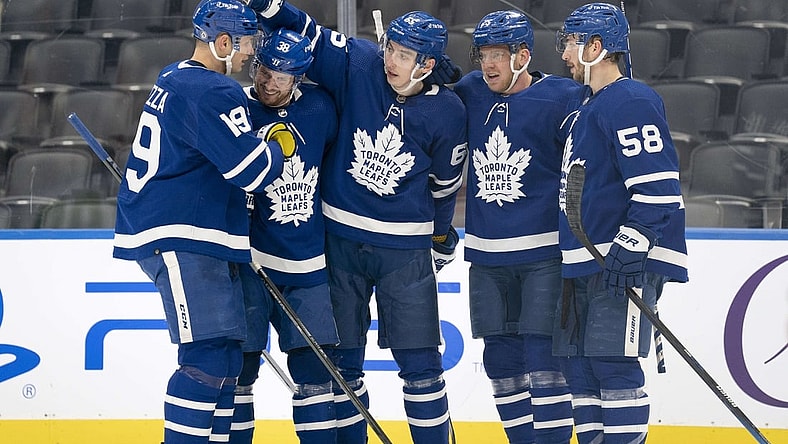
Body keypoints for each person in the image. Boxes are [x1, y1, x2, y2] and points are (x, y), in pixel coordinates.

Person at [242, 2, 468, 443]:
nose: (391, 60)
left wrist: (440, 236)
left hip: (404, 253)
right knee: (342, 366)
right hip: (340, 244)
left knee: (421, 366)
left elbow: (444, 186)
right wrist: (269, 5)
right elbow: (304, 30)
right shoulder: (362, 64)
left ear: (427, 65)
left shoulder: (449, 110)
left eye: (404, 55)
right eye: (391, 48)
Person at [111, 1, 295, 443]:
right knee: (207, 356)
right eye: (247, 42)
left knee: (228, 358)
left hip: (194, 233)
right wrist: (277, 147)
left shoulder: (175, 75)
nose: (251, 52)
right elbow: (252, 171)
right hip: (182, 234)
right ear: (223, 42)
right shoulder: (213, 90)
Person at [554, 3, 688, 443]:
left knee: (613, 367)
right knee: (580, 372)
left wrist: (633, 244)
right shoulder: (587, 106)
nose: (565, 55)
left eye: (572, 43)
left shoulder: (630, 100)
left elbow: (658, 187)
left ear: (596, 47)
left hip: (621, 259)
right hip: (584, 261)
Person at [453, 10, 582, 444]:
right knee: (501, 362)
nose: (488, 64)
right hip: (486, 257)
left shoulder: (564, 97)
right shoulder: (471, 90)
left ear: (523, 56)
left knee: (544, 360)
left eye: (498, 54)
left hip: (544, 256)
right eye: (483, 54)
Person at [230, 28, 340, 444]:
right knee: (239, 372)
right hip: (248, 264)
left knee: (315, 373)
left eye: (281, 76)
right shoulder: (236, 108)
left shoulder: (320, 108)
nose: (269, 83)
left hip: (306, 262)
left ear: (299, 78)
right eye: (264, 71)